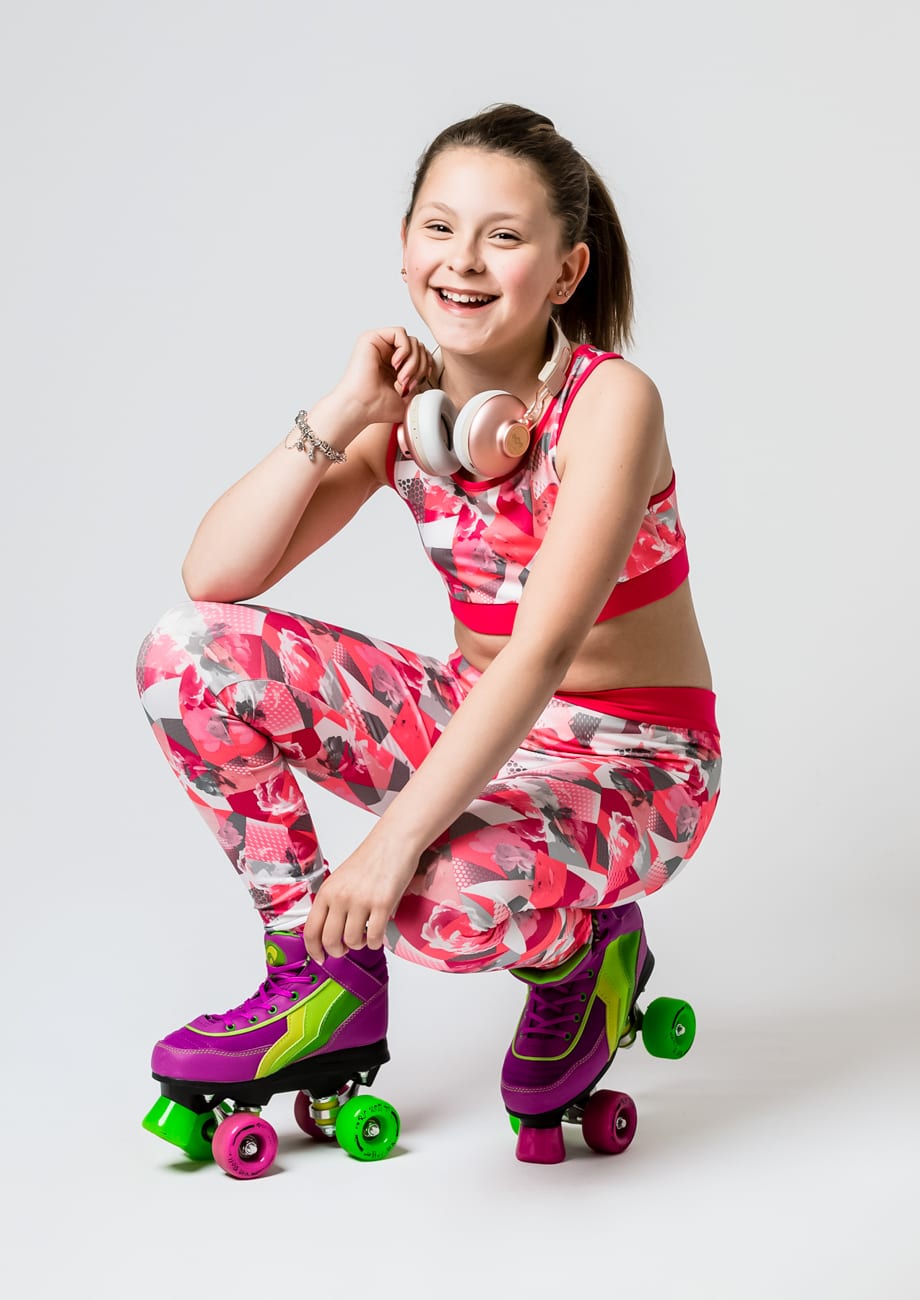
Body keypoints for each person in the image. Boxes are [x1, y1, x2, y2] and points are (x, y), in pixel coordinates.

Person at [136, 103, 723, 1166]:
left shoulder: (610, 405)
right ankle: (315, 978)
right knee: (187, 655)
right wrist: (341, 409)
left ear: (565, 270)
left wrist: (389, 844)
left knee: (429, 900)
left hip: (638, 762)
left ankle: (584, 955)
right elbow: (213, 578)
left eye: (503, 236)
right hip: (482, 720)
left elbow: (542, 652)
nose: (463, 260)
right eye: (439, 228)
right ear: (404, 245)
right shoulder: (409, 421)